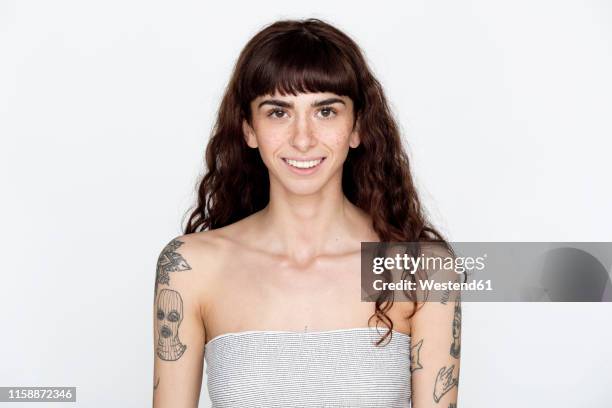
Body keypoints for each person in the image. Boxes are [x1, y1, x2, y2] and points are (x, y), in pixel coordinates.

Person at [152, 18, 461, 408]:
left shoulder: (423, 271)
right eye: (278, 112)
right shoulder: (189, 268)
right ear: (248, 129)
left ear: (357, 127)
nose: (302, 139)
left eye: (326, 111)